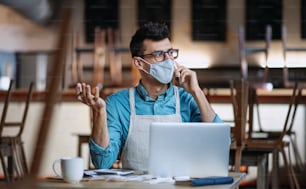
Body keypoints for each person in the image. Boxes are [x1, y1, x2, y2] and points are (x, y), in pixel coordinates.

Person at [76, 22, 223, 171]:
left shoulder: (188, 99)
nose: (168, 60)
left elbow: (220, 143)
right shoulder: (117, 104)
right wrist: (99, 112)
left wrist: (197, 91)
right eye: (159, 54)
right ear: (139, 63)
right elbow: (102, 163)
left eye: (170, 52)